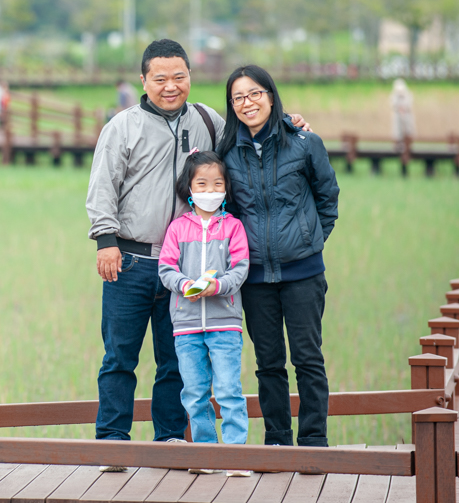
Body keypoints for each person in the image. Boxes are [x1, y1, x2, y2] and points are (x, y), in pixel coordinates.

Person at [86, 40, 311, 468]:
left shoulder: (207, 120)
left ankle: (170, 440)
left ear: (190, 76)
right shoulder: (122, 126)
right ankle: (112, 443)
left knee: (175, 360)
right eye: (160, 79)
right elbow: (102, 188)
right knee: (119, 357)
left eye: (179, 77)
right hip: (131, 260)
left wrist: (288, 122)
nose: (170, 86)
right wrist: (105, 241)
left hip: (188, 265)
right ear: (143, 80)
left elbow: (250, 131)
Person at [218, 65, 339, 448]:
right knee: (268, 364)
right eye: (238, 97)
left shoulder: (304, 143)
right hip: (254, 277)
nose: (247, 103)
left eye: (254, 93)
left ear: (271, 96)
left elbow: (327, 197)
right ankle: (277, 442)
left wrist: (309, 240)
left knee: (308, 358)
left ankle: (314, 442)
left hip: (304, 274)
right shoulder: (226, 153)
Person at [158, 150, 250, 477]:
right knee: (195, 393)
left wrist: (218, 286)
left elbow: (240, 268)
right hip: (186, 325)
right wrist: (185, 285)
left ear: (226, 188)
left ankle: (236, 456)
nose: (210, 190)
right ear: (189, 188)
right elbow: (166, 268)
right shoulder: (177, 229)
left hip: (225, 323)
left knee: (228, 390)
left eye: (217, 184)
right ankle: (206, 453)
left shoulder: (233, 227)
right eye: (202, 184)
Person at [390, 78, 415, 150]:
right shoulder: (394, 95)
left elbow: (409, 104)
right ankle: (398, 145)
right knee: (397, 131)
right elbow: (393, 104)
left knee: (408, 130)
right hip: (397, 116)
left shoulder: (408, 94)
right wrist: (399, 109)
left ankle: (408, 146)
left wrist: (404, 109)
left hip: (407, 116)